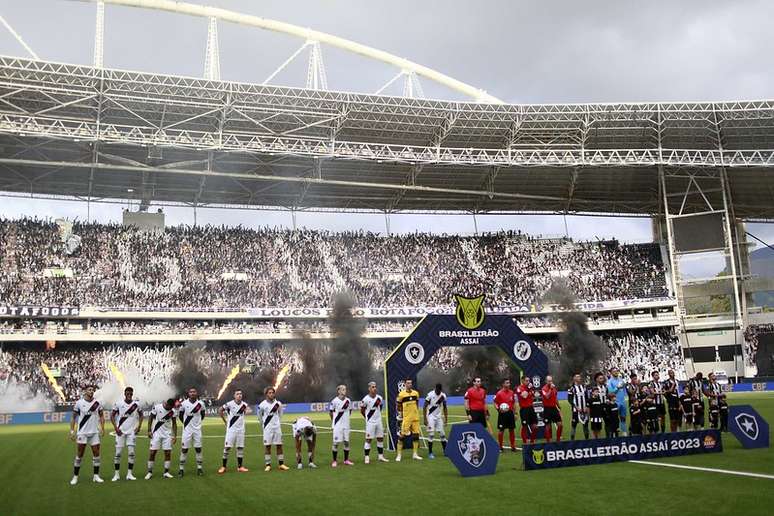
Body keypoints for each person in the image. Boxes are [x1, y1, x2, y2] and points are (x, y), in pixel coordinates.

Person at [69, 384, 105, 485]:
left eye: (92, 390)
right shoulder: (79, 403)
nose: (91, 391)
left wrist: (102, 427)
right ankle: (75, 477)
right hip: (82, 433)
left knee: (96, 454)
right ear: (85, 391)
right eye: (89, 390)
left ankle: (96, 476)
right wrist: (72, 431)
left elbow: (102, 416)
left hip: (94, 432)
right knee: (79, 455)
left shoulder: (97, 403)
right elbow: (73, 417)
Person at [110, 386, 143, 481]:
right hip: (120, 432)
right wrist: (116, 428)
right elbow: (112, 416)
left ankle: (129, 474)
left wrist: (139, 426)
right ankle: (116, 475)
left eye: (131, 394)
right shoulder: (119, 403)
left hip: (131, 432)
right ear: (124, 394)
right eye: (127, 393)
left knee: (131, 453)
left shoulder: (136, 404)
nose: (129, 395)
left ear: (132, 394)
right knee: (118, 453)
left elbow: (141, 415)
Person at [145, 398, 177, 480]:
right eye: (168, 406)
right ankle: (149, 472)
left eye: (170, 407)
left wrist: (174, 436)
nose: (168, 408)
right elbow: (150, 418)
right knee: (152, 452)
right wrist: (149, 430)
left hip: (167, 434)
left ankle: (166, 472)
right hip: (156, 433)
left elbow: (174, 423)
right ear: (166, 403)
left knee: (167, 453)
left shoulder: (173, 411)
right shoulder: (157, 407)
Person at [218, 389, 248, 474]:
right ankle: (223, 467)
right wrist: (225, 421)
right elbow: (220, 410)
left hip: (241, 430)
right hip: (231, 429)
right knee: (227, 447)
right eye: (237, 394)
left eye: (240, 394)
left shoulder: (244, 405)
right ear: (234, 396)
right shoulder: (229, 404)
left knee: (240, 448)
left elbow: (244, 412)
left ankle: (240, 467)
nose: (239, 395)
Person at [259, 386, 289, 472]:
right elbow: (259, 415)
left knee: (279, 445)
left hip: (277, 427)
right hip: (267, 428)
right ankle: (268, 465)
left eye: (273, 393)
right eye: (270, 393)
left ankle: (281, 464)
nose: (271, 394)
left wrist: (278, 422)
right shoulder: (262, 404)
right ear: (266, 394)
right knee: (267, 446)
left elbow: (280, 413)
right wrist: (263, 424)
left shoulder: (278, 403)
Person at [178, 387, 205, 477]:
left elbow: (203, 414)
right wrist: (186, 424)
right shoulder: (184, 404)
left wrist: (197, 424)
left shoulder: (201, 404)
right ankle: (181, 469)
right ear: (188, 393)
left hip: (197, 430)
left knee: (198, 449)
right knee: (184, 449)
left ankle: (199, 468)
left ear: (196, 393)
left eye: (194, 392)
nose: (192, 393)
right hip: (187, 430)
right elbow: (180, 415)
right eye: (191, 392)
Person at [361, 381, 389, 463]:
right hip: (370, 422)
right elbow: (362, 411)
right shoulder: (365, 399)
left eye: (375, 387)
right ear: (369, 388)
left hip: (378, 421)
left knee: (380, 438)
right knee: (368, 439)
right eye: (372, 387)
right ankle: (366, 457)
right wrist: (367, 418)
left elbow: (380, 408)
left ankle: (380, 456)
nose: (374, 388)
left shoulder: (379, 398)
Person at [396, 378, 422, 462]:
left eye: (410, 383)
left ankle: (415, 454)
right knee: (402, 436)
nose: (409, 385)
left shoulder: (416, 393)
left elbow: (417, 404)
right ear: (405, 384)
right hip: (406, 418)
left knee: (416, 435)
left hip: (415, 418)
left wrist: (415, 412)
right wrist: (400, 414)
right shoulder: (401, 395)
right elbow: (398, 405)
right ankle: (399, 455)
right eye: (408, 383)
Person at [329, 384, 354, 467]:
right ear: (339, 391)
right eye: (343, 389)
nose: (344, 391)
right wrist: (335, 421)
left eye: (345, 389)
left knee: (346, 442)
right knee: (335, 443)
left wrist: (345, 419)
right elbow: (331, 412)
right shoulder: (334, 401)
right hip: (337, 425)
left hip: (346, 425)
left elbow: (350, 411)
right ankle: (334, 461)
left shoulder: (348, 401)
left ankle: (346, 460)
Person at [423, 383, 448, 459]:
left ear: (441, 390)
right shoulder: (430, 395)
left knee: (442, 434)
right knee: (431, 434)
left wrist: (446, 418)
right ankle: (430, 453)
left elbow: (445, 407)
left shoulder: (443, 396)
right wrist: (425, 419)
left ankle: (445, 451)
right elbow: (424, 406)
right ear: (435, 389)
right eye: (437, 390)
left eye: (439, 391)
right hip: (430, 416)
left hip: (438, 417)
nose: (438, 392)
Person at [493, 379, 515, 452]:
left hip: (510, 414)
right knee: (501, 431)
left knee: (511, 430)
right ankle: (500, 446)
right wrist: (499, 409)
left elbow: (513, 403)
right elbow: (495, 403)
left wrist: (515, 413)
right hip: (502, 414)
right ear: (503, 384)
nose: (509, 384)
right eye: (507, 383)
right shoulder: (499, 393)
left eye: (509, 383)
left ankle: (513, 446)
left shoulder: (512, 392)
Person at [516, 375, 537, 444]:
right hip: (524, 409)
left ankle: (532, 441)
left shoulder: (530, 388)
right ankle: (525, 443)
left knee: (535, 426)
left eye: (529, 381)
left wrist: (532, 391)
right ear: (522, 381)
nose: (528, 382)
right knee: (524, 426)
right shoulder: (519, 388)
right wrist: (528, 389)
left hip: (531, 408)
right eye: (526, 381)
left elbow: (533, 396)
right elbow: (524, 396)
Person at [606, 367, 628, 436]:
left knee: (623, 417)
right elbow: (610, 392)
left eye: (617, 371)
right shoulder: (609, 382)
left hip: (622, 401)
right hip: (615, 402)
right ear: (611, 372)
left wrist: (626, 397)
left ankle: (624, 431)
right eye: (614, 371)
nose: (616, 372)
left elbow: (624, 389)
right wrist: (617, 388)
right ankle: (614, 432)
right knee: (614, 418)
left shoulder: (621, 380)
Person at [541, 375, 563, 442]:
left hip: (554, 408)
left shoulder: (554, 389)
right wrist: (550, 389)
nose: (550, 382)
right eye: (549, 381)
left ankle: (558, 440)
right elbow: (547, 396)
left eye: (551, 381)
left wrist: (558, 406)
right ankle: (548, 441)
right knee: (548, 427)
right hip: (547, 409)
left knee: (560, 425)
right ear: (546, 381)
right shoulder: (543, 389)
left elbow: (555, 398)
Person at [567, 373, 589, 440]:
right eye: (577, 377)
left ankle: (587, 440)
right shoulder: (571, 388)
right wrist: (576, 407)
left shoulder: (584, 387)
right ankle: (572, 441)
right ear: (574, 379)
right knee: (574, 425)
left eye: (580, 376)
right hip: (576, 410)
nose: (579, 378)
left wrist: (586, 406)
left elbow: (587, 397)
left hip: (584, 409)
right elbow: (570, 400)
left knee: (585, 424)